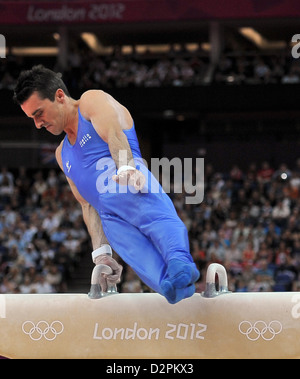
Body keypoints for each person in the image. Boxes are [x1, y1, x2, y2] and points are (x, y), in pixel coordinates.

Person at [13, 65, 200, 304]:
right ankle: (176, 287)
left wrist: (126, 168)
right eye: (32, 119)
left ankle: (180, 262)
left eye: (39, 113)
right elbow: (87, 206)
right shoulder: (62, 154)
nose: (38, 124)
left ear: (59, 96)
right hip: (110, 219)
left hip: (130, 183)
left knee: (165, 237)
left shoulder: (91, 102)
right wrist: (101, 254)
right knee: (164, 284)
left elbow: (114, 132)